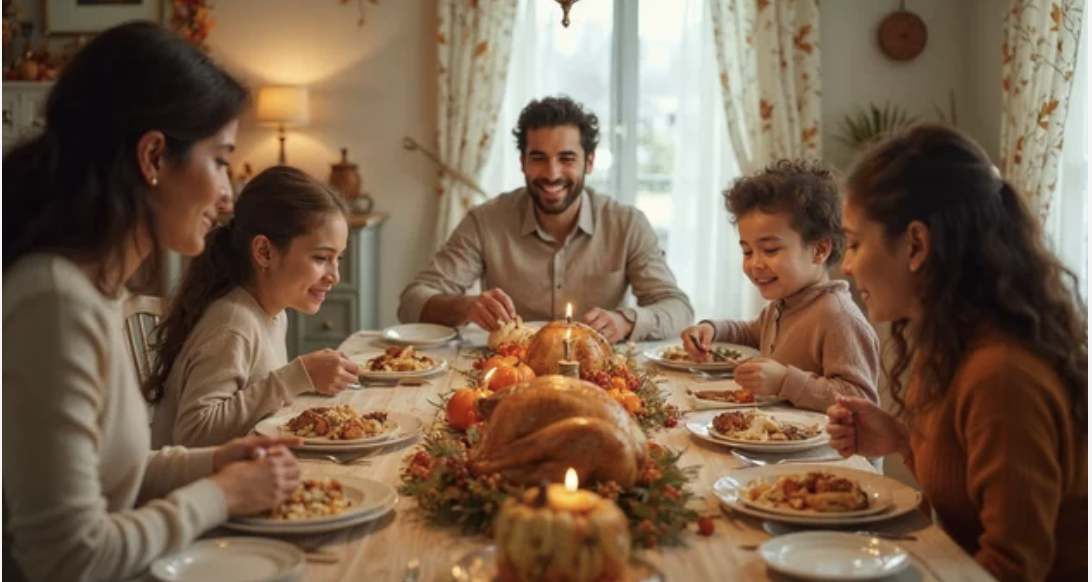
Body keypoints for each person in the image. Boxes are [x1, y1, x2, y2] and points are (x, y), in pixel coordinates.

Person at [2, 22, 302, 582]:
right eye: (219, 159)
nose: (226, 193)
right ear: (155, 156)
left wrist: (213, 462)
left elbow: (109, 473)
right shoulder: (52, 302)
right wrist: (219, 495)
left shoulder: (93, 291)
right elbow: (66, 558)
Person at [825, 123, 1087, 582]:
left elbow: (1012, 569)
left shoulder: (1001, 375)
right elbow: (968, 495)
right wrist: (903, 440)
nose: (846, 265)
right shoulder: (946, 341)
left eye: (855, 243)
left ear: (916, 244)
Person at [398, 95, 693, 343]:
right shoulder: (486, 221)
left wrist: (626, 321)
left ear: (589, 163)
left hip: (600, 376)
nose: (552, 174)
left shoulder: (627, 224)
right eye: (538, 158)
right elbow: (412, 303)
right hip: (509, 374)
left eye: (566, 159)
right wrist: (465, 307)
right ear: (523, 162)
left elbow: (678, 309)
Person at [149, 166, 360, 448]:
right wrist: (297, 376)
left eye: (339, 259)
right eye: (321, 257)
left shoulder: (273, 314)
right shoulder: (233, 324)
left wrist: (305, 380)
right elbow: (193, 434)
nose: (334, 276)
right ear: (264, 252)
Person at [680, 160, 880, 412]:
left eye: (770, 250)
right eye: (747, 251)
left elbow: (860, 401)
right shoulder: (783, 305)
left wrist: (785, 381)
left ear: (819, 249)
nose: (755, 264)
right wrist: (711, 329)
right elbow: (750, 333)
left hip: (825, 451)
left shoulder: (837, 316)